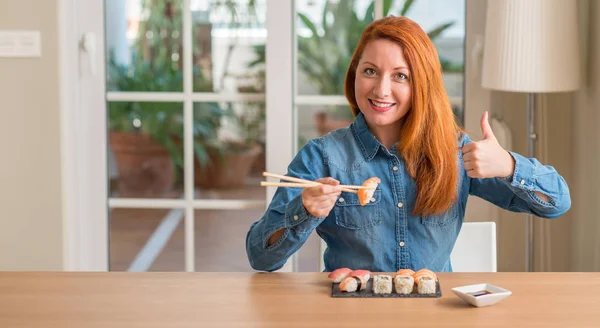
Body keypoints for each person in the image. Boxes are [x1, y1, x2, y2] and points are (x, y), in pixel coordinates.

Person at [245, 16, 571, 273]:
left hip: (433, 315)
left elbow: (558, 203)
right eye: (370, 71)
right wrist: (303, 209)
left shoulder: (454, 152)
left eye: (400, 76)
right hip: (352, 315)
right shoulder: (322, 157)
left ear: (422, 84)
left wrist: (509, 166)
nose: (381, 90)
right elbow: (260, 256)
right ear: (354, 75)